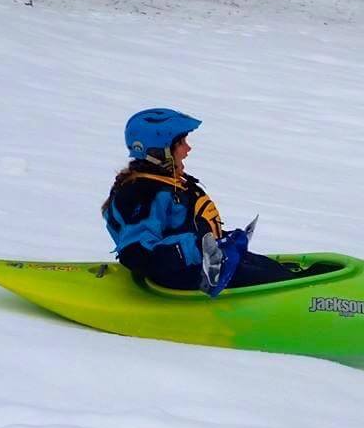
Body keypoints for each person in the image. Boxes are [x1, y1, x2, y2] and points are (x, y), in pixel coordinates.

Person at [102, 108, 301, 293]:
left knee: (284, 274)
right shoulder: (141, 192)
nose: (188, 149)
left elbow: (186, 227)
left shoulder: (167, 182)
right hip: (183, 276)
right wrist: (196, 249)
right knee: (282, 285)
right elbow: (136, 253)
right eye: (180, 143)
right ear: (159, 150)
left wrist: (221, 240)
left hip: (208, 265)